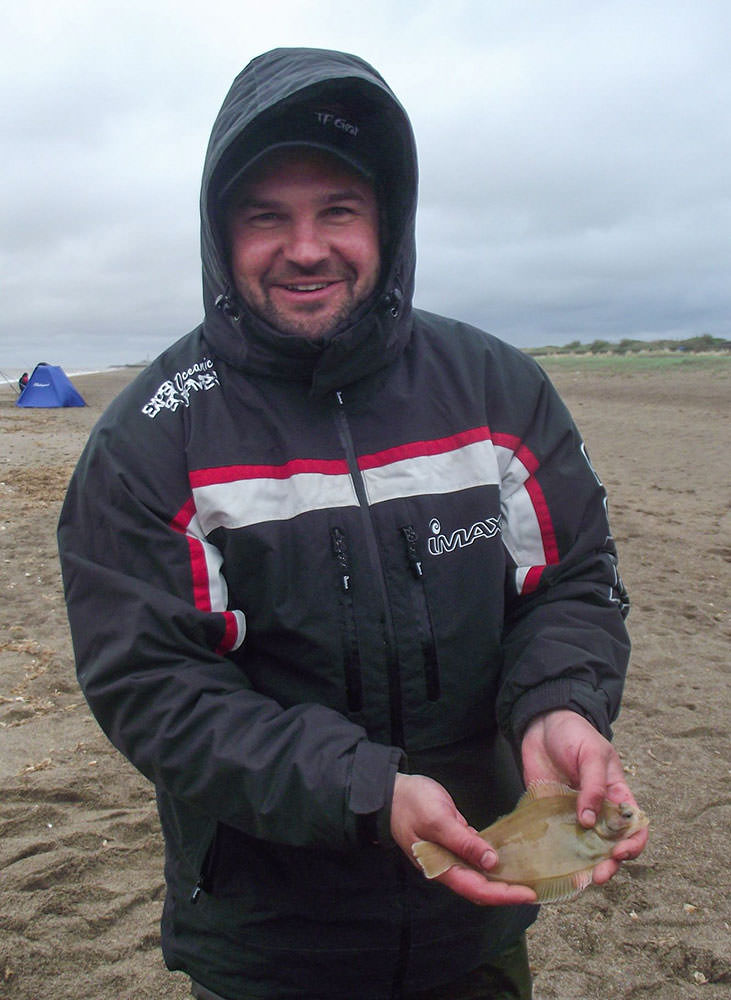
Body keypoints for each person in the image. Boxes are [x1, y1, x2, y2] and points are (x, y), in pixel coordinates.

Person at [58, 47, 647, 1000]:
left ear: (386, 221)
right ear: (220, 233)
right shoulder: (150, 438)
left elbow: (571, 585)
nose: (305, 247)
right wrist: (368, 792)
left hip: (477, 911)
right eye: (266, 216)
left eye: (337, 209)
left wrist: (560, 706)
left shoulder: (495, 389)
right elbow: (154, 685)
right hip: (268, 939)